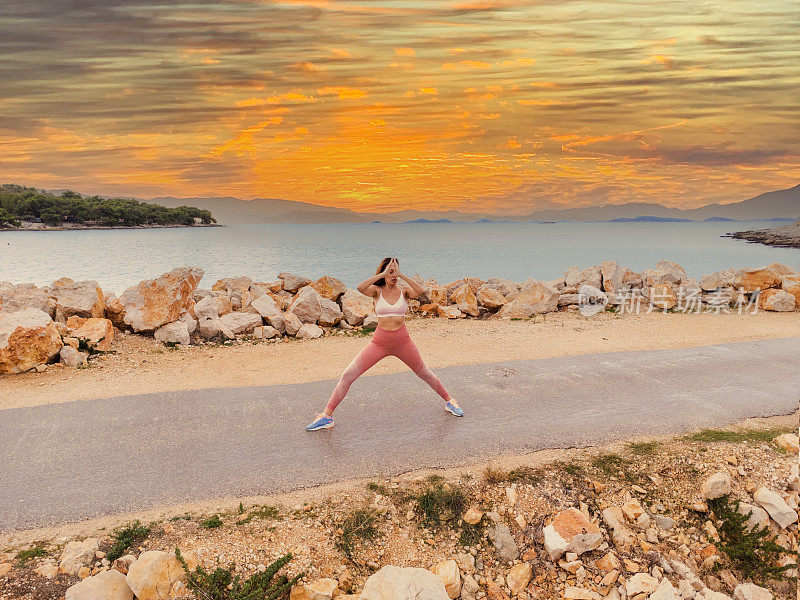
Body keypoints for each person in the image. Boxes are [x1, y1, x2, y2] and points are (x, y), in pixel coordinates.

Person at [306, 257, 463, 431]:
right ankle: (327, 416)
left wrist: (401, 274)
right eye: (391, 271)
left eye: (396, 270)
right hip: (379, 343)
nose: (393, 274)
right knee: (348, 374)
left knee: (425, 373)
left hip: (403, 342)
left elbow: (421, 290)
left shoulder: (404, 292)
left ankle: (450, 402)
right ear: (384, 271)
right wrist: (382, 273)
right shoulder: (376, 291)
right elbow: (360, 287)